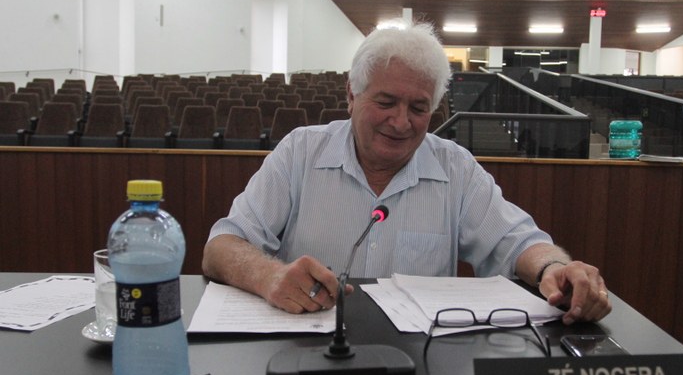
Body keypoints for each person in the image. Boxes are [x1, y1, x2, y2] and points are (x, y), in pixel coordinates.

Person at [202, 22, 611, 326]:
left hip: (420, 363)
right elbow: (220, 247)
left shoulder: (456, 169)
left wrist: (554, 269)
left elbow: (517, 241)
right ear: (351, 94)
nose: (401, 123)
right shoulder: (299, 153)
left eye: (418, 108)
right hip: (305, 348)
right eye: (386, 103)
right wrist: (269, 276)